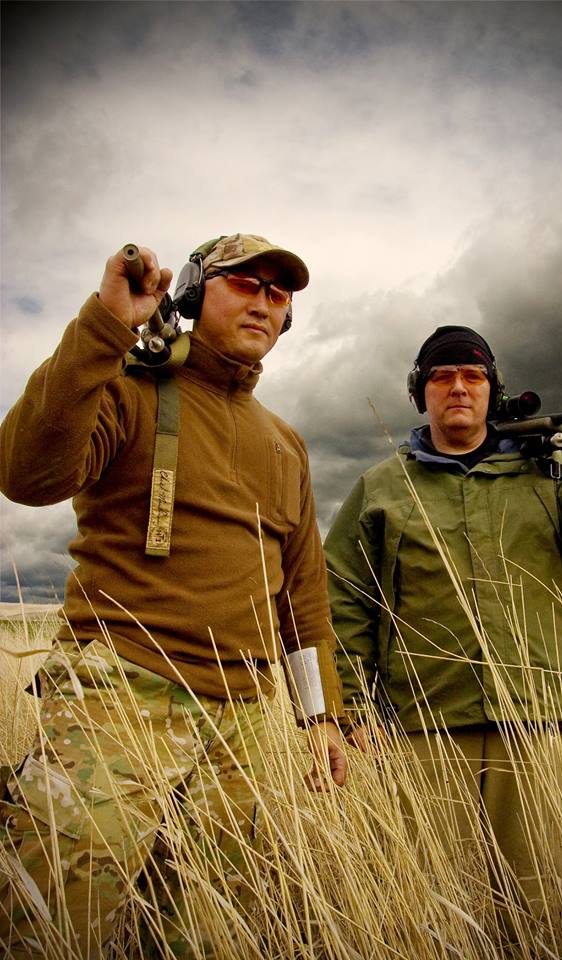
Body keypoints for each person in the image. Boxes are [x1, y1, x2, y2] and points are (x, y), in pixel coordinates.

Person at [0, 234, 346, 958]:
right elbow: (27, 477)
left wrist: (320, 715)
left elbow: (303, 593)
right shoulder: (127, 386)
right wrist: (104, 326)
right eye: (243, 283)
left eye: (277, 294)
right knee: (55, 928)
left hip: (244, 721)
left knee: (208, 931)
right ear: (192, 292)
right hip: (120, 697)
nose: (263, 302)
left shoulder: (286, 442)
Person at [324, 325, 562, 931]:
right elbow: (343, 600)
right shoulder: (381, 488)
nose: (458, 387)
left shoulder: (546, 475)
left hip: (534, 714)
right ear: (420, 393)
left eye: (473, 376)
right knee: (432, 903)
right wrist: (350, 708)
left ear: (492, 390)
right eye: (442, 376)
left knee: (539, 899)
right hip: (421, 722)